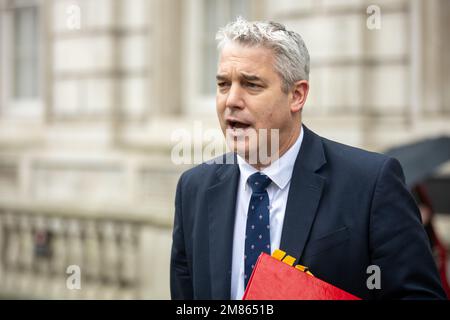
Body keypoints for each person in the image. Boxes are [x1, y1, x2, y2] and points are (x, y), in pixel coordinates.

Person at [170, 17, 446, 300]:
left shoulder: (371, 183)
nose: (231, 100)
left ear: (297, 96)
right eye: (223, 84)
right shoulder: (193, 189)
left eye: (251, 85)